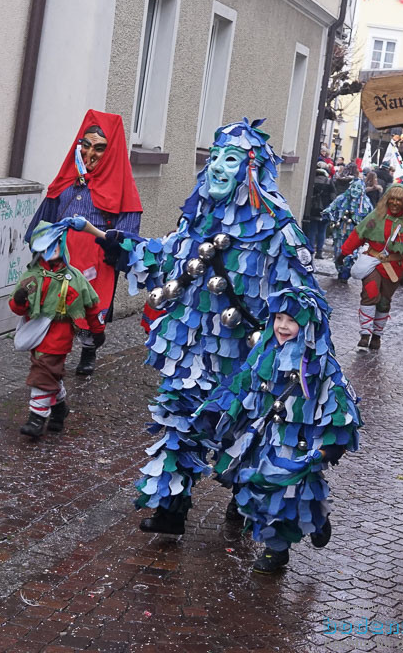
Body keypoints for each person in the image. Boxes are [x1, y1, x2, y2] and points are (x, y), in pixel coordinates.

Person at [112, 118, 319, 536]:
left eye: (232, 160)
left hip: (245, 355)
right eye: (215, 159)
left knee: (242, 429)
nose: (219, 168)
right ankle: (171, 508)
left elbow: (303, 296)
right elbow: (171, 264)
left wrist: (290, 342)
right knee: (175, 419)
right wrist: (122, 248)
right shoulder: (198, 220)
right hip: (190, 347)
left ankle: (244, 499)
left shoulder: (277, 231)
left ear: (252, 171)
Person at [200, 287, 361, 573]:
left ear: (308, 326)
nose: (283, 326)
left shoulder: (323, 367)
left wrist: (326, 447)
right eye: (279, 318)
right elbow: (243, 384)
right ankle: (285, 541)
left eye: (292, 320)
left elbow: (340, 411)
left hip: (296, 442)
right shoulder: (264, 352)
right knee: (261, 488)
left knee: (291, 492)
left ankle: (296, 534)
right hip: (262, 436)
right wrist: (219, 411)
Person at [25, 110, 142, 376]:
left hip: (97, 259)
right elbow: (46, 217)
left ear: (110, 151)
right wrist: (38, 247)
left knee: (90, 308)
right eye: (85, 145)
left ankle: (90, 348)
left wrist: (104, 237)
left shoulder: (121, 186)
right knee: (58, 305)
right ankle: (56, 354)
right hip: (63, 255)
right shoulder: (69, 177)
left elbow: (128, 237)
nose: (90, 154)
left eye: (99, 148)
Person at [8, 219, 106, 438]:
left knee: (42, 372)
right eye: (44, 249)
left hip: (59, 334)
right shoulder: (32, 276)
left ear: (61, 246)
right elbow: (18, 308)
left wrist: (97, 330)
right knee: (50, 373)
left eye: (53, 246)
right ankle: (60, 409)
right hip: (36, 331)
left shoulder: (75, 278)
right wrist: (20, 299)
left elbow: (92, 305)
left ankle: (36, 418)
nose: (49, 252)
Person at [340, 184, 403, 350]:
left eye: (399, 199)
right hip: (373, 262)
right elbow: (358, 234)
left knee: (384, 302)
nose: (395, 202)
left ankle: (377, 335)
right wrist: (344, 252)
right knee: (370, 293)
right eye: (392, 198)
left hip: (393, 268)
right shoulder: (376, 217)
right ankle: (365, 333)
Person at [322, 176, 373, 280]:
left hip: (355, 235)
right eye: (354, 187)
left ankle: (346, 272)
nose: (355, 190)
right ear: (350, 187)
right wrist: (332, 217)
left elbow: (372, 219)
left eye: (358, 188)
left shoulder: (366, 203)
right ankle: (340, 271)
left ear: (362, 190)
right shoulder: (341, 198)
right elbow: (330, 209)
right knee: (338, 252)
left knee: (352, 254)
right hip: (340, 232)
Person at [302, 162, 333, 259]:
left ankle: (310, 250)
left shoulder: (312, 180)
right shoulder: (329, 181)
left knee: (312, 230)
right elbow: (333, 197)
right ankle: (319, 252)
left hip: (313, 209)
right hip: (324, 210)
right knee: (322, 231)